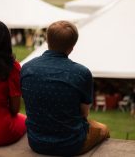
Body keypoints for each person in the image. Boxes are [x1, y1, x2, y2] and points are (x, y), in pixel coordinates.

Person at [21, 21, 109, 156]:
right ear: (72, 47)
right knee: (103, 129)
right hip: (70, 145)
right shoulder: (81, 73)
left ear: (47, 40)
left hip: (36, 142)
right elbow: (84, 114)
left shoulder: (27, 68)